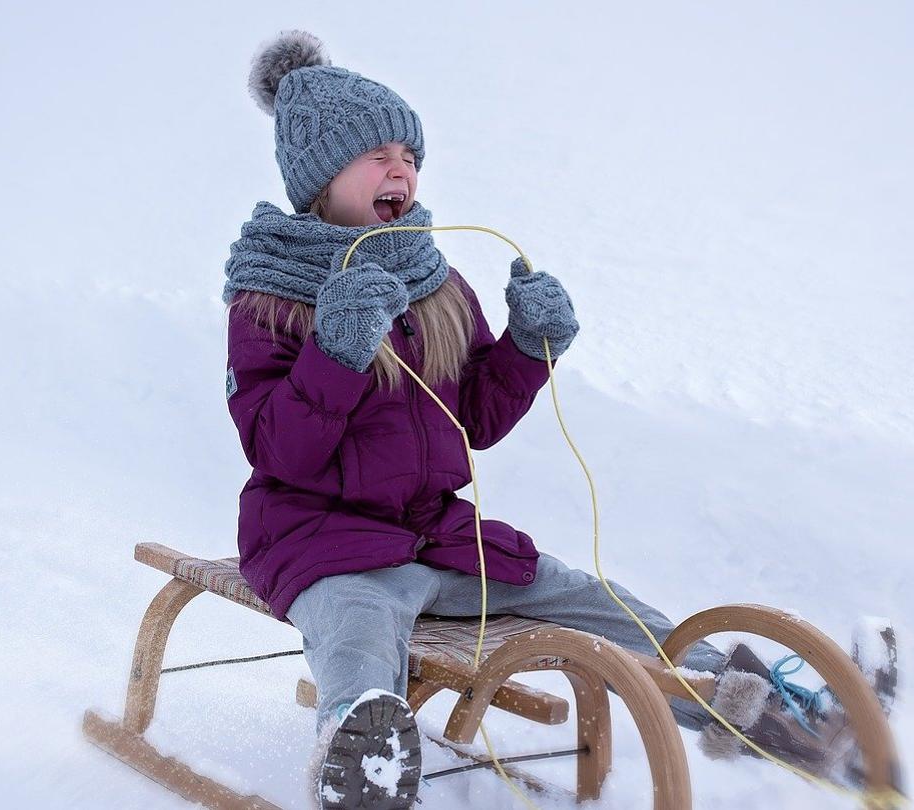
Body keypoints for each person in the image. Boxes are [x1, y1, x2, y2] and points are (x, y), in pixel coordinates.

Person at [223, 31, 874, 809]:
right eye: (376, 154)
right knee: (357, 629)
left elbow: (474, 420)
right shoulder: (270, 300)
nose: (401, 169)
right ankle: (360, 758)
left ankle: (749, 702)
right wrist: (335, 349)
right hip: (322, 544)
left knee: (588, 599)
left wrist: (529, 348)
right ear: (320, 178)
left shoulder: (437, 283)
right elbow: (278, 449)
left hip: (437, 537)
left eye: (411, 153)